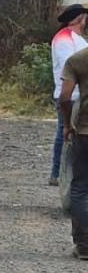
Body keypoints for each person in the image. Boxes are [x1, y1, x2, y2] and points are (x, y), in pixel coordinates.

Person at [50, 5, 88, 185]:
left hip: (80, 94)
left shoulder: (78, 39)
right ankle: (58, 174)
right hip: (69, 95)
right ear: (80, 18)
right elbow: (69, 67)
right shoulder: (64, 38)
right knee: (65, 133)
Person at [57, 47, 88, 259]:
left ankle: (84, 245)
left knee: (80, 188)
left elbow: (65, 96)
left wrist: (68, 124)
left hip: (85, 132)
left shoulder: (78, 59)